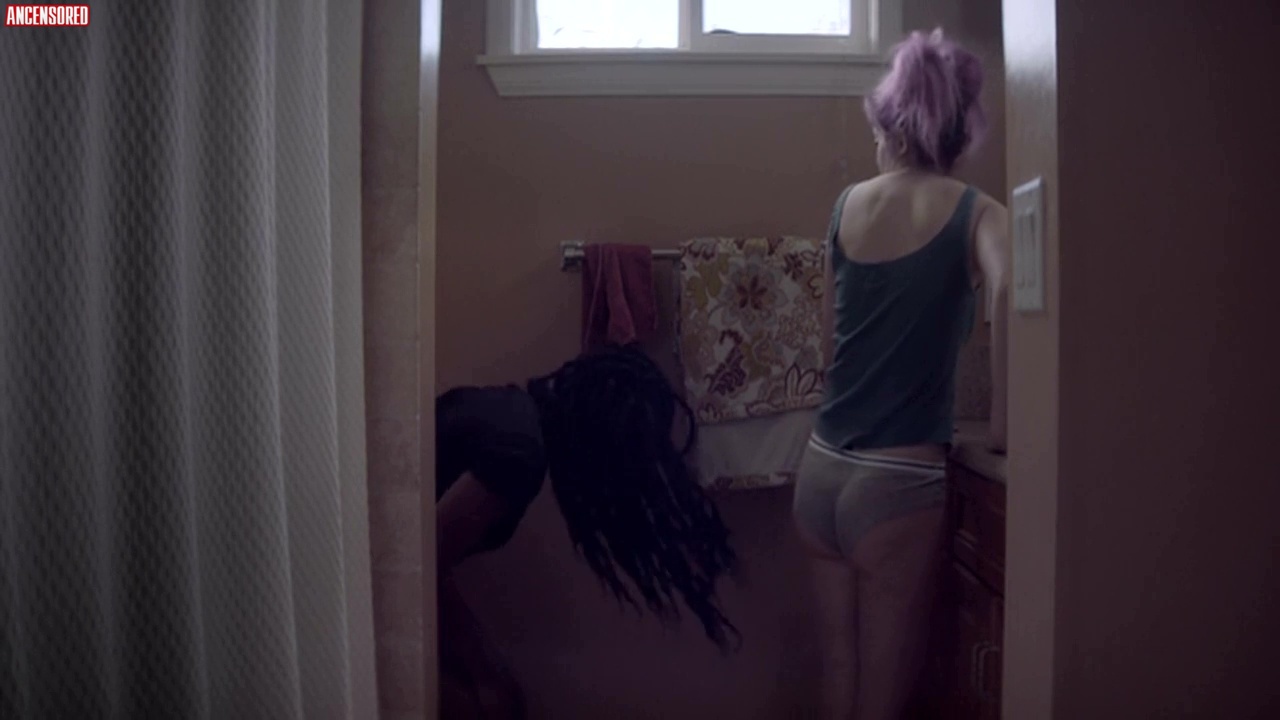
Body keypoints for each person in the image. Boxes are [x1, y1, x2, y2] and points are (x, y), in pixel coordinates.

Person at [793, 28, 1011, 719]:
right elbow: (1012, 290)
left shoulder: (847, 205)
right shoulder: (980, 211)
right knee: (881, 694)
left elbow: (829, 343)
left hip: (822, 469)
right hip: (898, 481)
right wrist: (1003, 421)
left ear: (893, 127)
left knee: (838, 670)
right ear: (958, 133)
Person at [435, 345, 740, 718]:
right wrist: (483, 671)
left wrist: (483, 663)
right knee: (491, 705)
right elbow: (415, 566)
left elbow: (429, 559)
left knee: (497, 697)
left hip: (380, 578)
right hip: (375, 587)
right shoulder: (518, 452)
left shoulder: (510, 414)